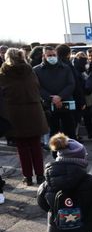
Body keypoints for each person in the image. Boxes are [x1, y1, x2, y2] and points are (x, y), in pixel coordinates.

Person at [0, 48, 49, 186]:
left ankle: (27, 177)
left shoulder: (4, 73)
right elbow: (36, 86)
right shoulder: (30, 71)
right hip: (34, 111)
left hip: (15, 113)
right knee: (35, 145)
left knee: (22, 147)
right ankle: (40, 175)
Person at [33, 46, 76, 138]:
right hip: (48, 105)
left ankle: (72, 151)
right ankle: (55, 152)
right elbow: (37, 87)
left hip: (65, 103)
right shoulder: (36, 70)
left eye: (54, 55)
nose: (52, 57)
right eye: (49, 55)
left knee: (70, 131)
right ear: (44, 56)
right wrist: (51, 98)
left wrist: (60, 97)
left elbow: (71, 84)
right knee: (53, 132)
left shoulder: (65, 68)